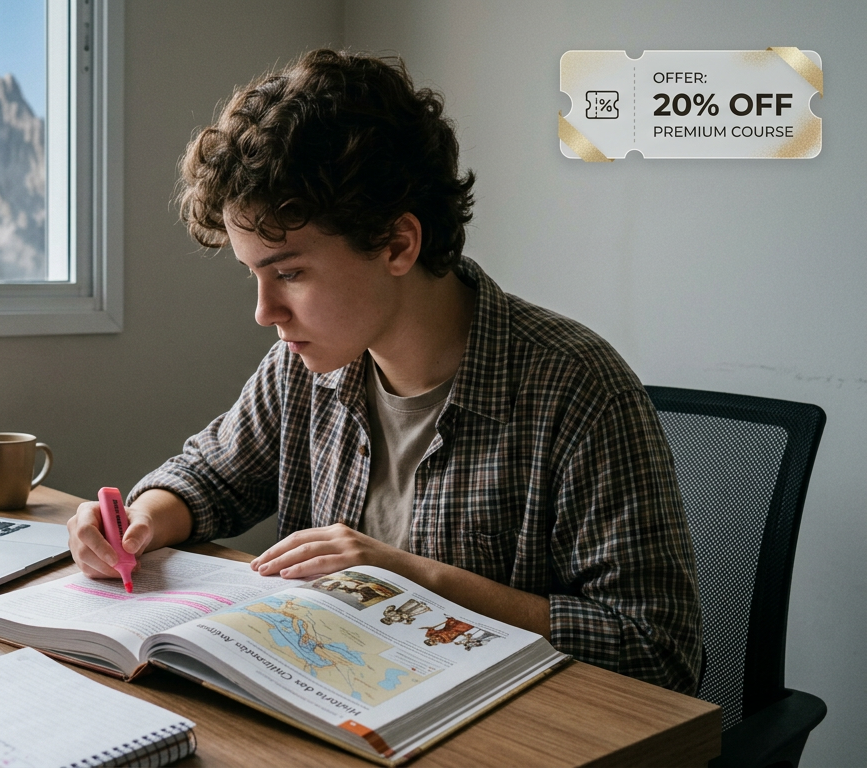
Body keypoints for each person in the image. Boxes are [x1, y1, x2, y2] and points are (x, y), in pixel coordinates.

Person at [67, 49, 702, 694]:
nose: (263, 312)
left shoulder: (577, 389)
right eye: (253, 274)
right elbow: (209, 477)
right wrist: (142, 519)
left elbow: (657, 653)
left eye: (289, 272)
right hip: (336, 706)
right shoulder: (304, 367)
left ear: (397, 244)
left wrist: (408, 579)